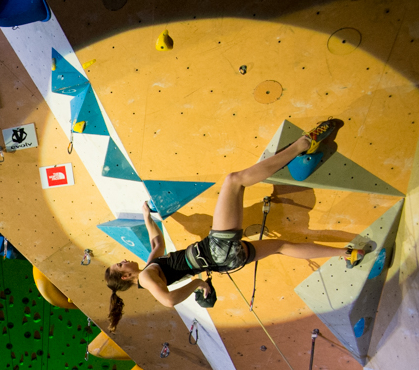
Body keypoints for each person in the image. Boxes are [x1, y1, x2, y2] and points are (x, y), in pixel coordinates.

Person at [104, 120, 350, 331]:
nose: (124, 260)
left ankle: (347, 253)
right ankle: (302, 145)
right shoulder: (146, 277)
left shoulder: (150, 268)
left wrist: (148, 217)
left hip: (226, 261)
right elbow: (168, 301)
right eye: (120, 264)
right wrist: (197, 284)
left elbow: (157, 242)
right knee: (234, 181)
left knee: (282, 246)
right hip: (215, 250)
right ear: (125, 276)